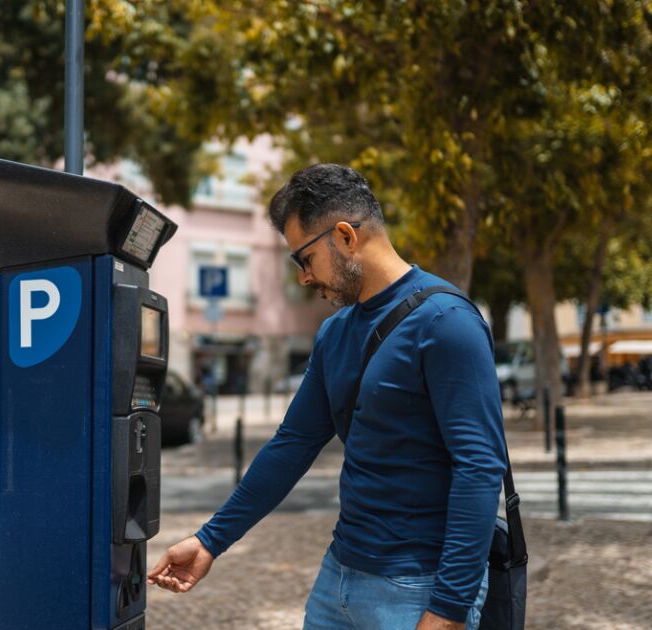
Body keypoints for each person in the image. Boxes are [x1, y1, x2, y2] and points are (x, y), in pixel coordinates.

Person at [147, 164, 507, 630]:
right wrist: (211, 539)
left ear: (344, 237)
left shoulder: (446, 323)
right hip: (338, 578)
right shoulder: (335, 333)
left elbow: (479, 466)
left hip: (418, 587)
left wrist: (450, 608)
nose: (303, 277)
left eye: (303, 259)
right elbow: (291, 445)